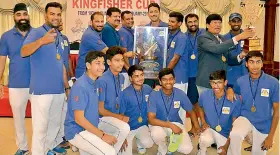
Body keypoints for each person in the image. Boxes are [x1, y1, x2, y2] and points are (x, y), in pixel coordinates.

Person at [21, 2, 70, 154]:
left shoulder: (61, 36)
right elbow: (23, 51)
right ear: (45, 15)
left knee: (54, 126)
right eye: (52, 13)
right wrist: (42, 41)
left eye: (58, 14)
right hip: (41, 90)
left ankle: (47, 150)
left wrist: (66, 86)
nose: (55, 17)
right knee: (40, 128)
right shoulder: (36, 32)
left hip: (58, 89)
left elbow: (61, 64)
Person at [65, 51, 124, 155]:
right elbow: (79, 119)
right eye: (98, 63)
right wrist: (102, 136)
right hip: (77, 130)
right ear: (88, 65)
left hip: (94, 123)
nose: (102, 67)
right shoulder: (81, 86)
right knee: (109, 152)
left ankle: (96, 149)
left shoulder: (96, 82)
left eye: (103, 63)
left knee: (123, 128)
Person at [230, 51, 279, 155]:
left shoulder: (273, 83)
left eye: (258, 62)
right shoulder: (240, 81)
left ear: (262, 64)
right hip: (245, 118)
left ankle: (259, 140)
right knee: (235, 134)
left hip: (263, 124)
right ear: (246, 64)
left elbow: (277, 111)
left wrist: (271, 136)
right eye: (251, 62)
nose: (255, 66)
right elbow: (235, 100)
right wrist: (230, 89)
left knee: (258, 152)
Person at [196, 13, 255, 94]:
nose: (218, 25)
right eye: (215, 23)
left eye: (219, 23)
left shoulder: (221, 38)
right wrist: (239, 37)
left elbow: (229, 59)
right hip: (207, 82)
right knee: (208, 106)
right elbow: (217, 49)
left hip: (221, 82)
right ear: (207, 25)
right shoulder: (203, 37)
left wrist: (242, 55)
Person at [0, 3, 31, 155]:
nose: (22, 18)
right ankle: (23, 147)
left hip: (38, 84)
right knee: (18, 119)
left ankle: (44, 147)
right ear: (14, 17)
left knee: (42, 119)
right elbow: (1, 60)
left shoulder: (37, 33)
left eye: (24, 14)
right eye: (19, 15)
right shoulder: (6, 36)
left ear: (28, 15)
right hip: (16, 85)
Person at [148, 68, 200, 155]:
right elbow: (151, 119)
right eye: (164, 79)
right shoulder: (154, 94)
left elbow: (191, 110)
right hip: (158, 124)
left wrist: (197, 126)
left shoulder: (180, 93)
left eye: (171, 79)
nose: (168, 82)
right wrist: (170, 125)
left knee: (187, 149)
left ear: (174, 80)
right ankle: (162, 148)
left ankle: (172, 145)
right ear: (160, 82)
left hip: (176, 122)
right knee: (157, 134)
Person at [197, 70, 241, 155]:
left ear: (225, 82)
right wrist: (203, 122)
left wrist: (226, 145)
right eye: (213, 83)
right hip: (209, 129)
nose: (215, 86)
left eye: (219, 82)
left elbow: (234, 125)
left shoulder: (235, 99)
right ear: (210, 83)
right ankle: (201, 151)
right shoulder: (204, 95)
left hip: (225, 134)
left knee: (228, 152)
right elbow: (200, 107)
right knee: (204, 140)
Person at [97, 46, 131, 153]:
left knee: (127, 151)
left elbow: (120, 103)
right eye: (117, 60)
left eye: (122, 60)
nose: (121, 63)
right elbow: (100, 110)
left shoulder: (121, 78)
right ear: (109, 62)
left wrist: (122, 135)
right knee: (124, 128)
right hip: (102, 120)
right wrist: (120, 120)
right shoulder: (102, 80)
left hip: (115, 120)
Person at [119, 65, 154, 155]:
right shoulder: (125, 94)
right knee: (123, 152)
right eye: (136, 76)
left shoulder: (148, 89)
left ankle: (140, 143)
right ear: (131, 78)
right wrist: (122, 136)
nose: (140, 78)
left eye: (142, 75)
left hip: (142, 125)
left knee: (149, 143)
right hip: (128, 128)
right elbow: (120, 115)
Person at [184, 13, 206, 136]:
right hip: (190, 74)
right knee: (192, 102)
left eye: (195, 21)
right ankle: (194, 127)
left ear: (198, 22)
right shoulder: (183, 37)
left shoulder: (205, 34)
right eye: (190, 22)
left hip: (203, 74)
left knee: (204, 102)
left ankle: (205, 127)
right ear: (186, 24)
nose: (193, 24)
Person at [75, 12, 108, 78]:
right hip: (85, 73)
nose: (100, 24)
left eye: (102, 21)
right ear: (91, 22)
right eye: (97, 21)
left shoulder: (96, 32)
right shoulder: (90, 35)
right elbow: (107, 51)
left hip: (91, 71)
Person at [223, 13, 248, 88]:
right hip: (229, 75)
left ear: (241, 22)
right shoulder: (224, 38)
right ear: (229, 23)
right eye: (234, 21)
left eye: (238, 21)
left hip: (245, 74)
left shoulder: (248, 37)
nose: (236, 23)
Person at [167, 12, 188, 93]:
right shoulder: (169, 35)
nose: (169, 23)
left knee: (178, 104)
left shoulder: (181, 37)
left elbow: (175, 59)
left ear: (179, 23)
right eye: (169, 21)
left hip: (179, 78)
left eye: (172, 22)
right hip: (170, 77)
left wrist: (164, 74)